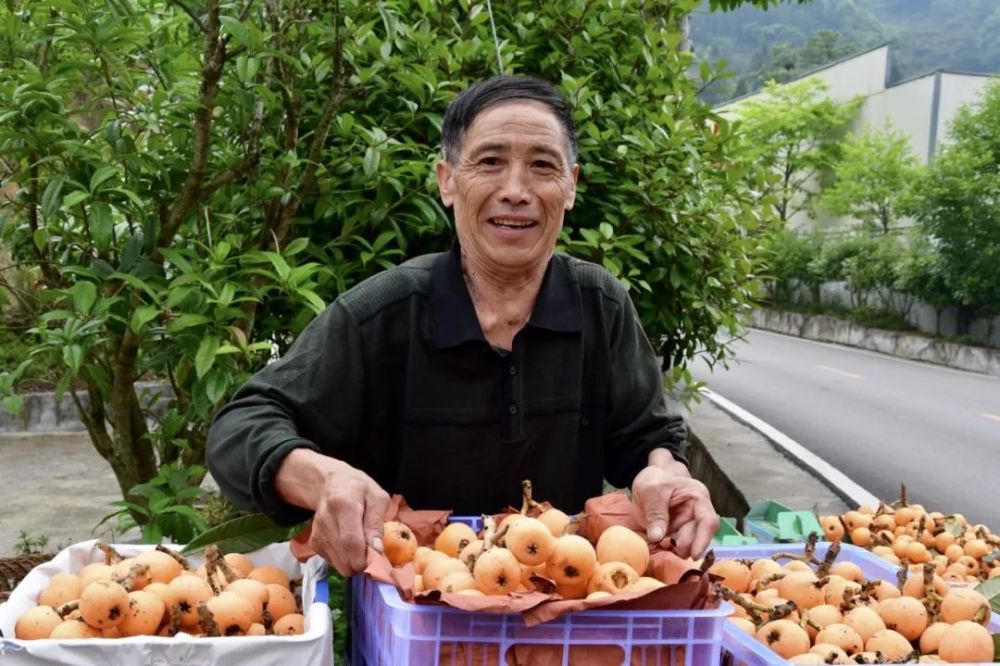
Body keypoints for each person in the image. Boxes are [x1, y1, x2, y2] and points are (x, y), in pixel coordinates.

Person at [206, 75, 719, 577]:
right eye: (490, 162)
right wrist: (324, 478)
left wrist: (664, 473)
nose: (516, 190)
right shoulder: (385, 313)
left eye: (542, 166)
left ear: (570, 187)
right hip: (411, 616)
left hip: (562, 609)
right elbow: (240, 426)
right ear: (447, 181)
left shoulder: (600, 306)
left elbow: (648, 434)